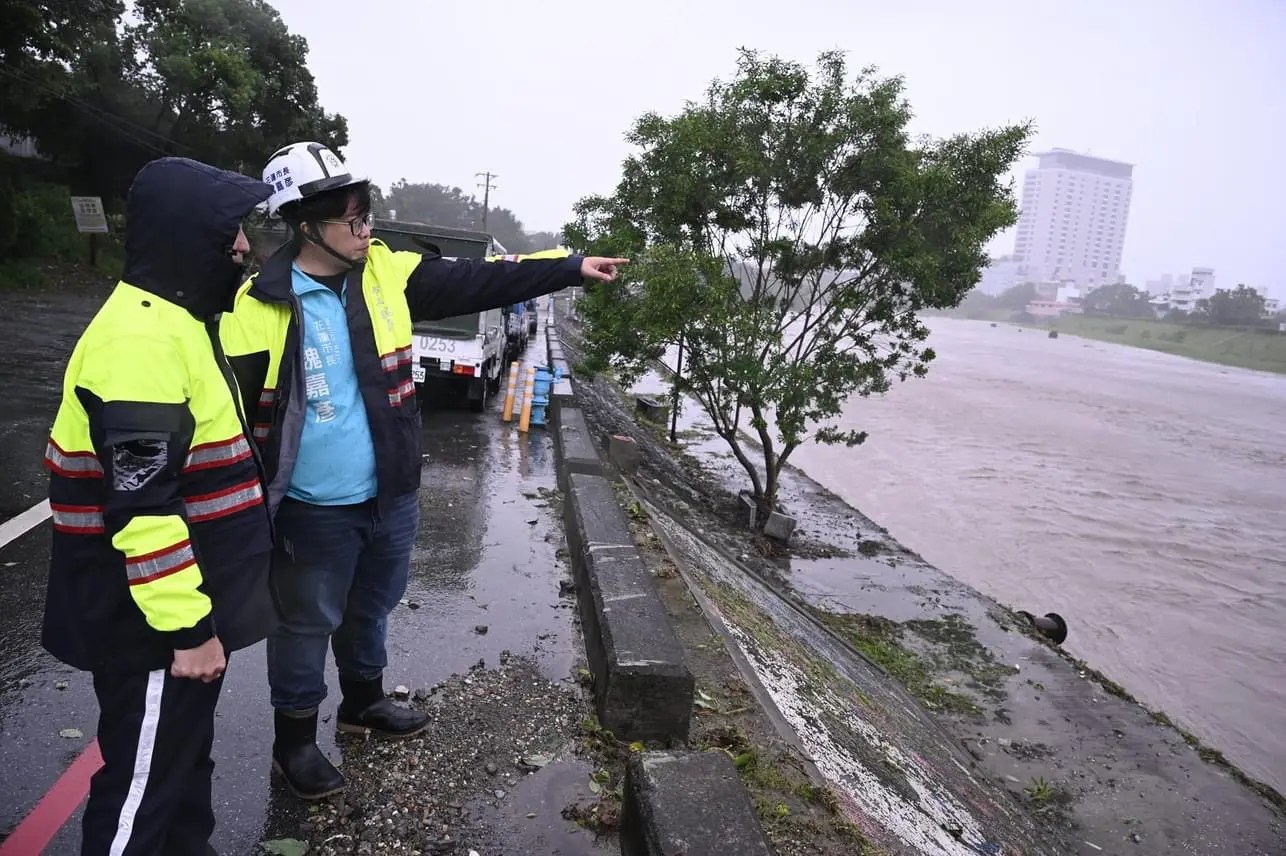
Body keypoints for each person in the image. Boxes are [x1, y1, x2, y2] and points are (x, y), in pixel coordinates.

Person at [219, 141, 627, 800]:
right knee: (304, 623)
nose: (365, 228)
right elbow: (227, 423)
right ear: (303, 224)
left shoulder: (386, 272)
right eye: (350, 219)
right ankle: (292, 741)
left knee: (372, 607)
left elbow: (486, 278)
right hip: (310, 509)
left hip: (390, 494)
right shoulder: (254, 307)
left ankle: (363, 704)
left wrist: (571, 266)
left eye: (366, 213)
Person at [42, 157, 277, 855]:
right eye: (231, 231)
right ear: (187, 234)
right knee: (141, 787)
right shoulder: (140, 341)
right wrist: (189, 632)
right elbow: (143, 513)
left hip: (174, 612)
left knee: (180, 765)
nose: (244, 247)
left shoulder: (179, 321)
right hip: (150, 624)